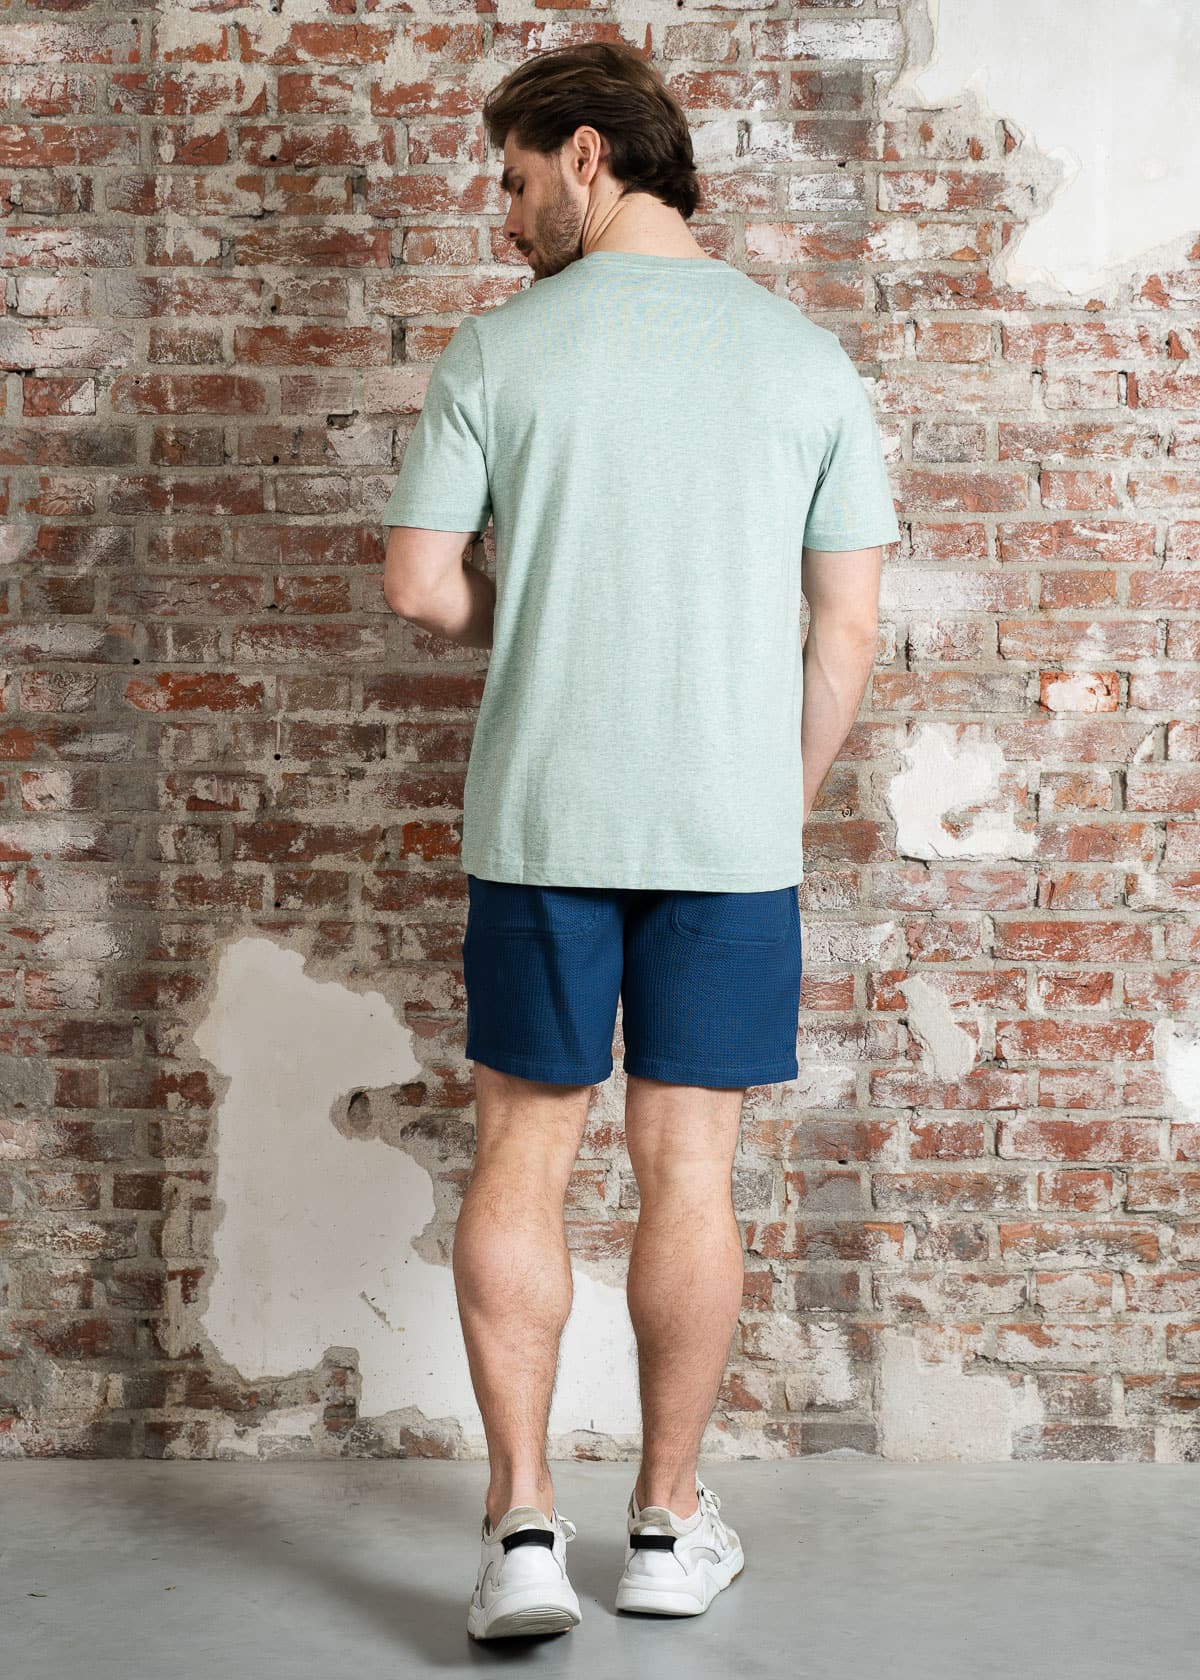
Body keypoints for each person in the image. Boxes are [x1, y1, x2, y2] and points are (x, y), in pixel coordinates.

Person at [380, 40, 899, 1641]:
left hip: (542, 816)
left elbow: (419, 585)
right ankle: (665, 1528)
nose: (505, 212)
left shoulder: (497, 350)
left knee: (522, 1156)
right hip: (725, 836)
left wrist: (538, 606)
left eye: (516, 177)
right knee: (690, 1170)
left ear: (589, 156)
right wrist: (771, 798)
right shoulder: (807, 359)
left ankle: (523, 1533)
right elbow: (847, 629)